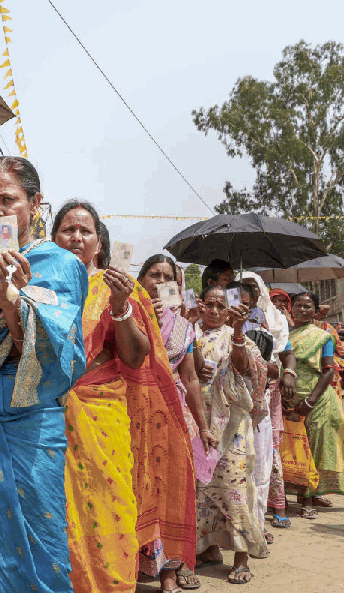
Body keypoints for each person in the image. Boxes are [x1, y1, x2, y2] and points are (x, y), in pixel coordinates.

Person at [0, 157, 87, 592]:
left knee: (39, 545)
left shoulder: (62, 265)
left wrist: (13, 297)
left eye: (8, 200)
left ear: (35, 203)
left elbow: (49, 356)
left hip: (29, 421)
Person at [53, 202, 195, 593]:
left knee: (110, 507)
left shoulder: (119, 289)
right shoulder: (42, 283)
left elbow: (135, 357)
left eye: (85, 230)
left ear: (99, 242)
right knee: (57, 517)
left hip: (102, 415)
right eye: (67, 230)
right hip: (51, 418)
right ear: (54, 239)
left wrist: (119, 307)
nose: (76, 237)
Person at [137, 254, 217, 592]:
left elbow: (191, 379)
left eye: (167, 277)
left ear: (177, 287)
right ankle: (134, 566)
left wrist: (203, 424)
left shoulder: (183, 327)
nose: (159, 281)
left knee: (171, 491)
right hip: (131, 415)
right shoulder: (122, 312)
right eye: (152, 275)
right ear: (140, 280)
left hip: (171, 418)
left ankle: (169, 571)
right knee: (137, 489)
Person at [193, 286, 268, 585]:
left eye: (220, 306)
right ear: (200, 305)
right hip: (199, 424)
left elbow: (244, 367)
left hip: (232, 429)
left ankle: (241, 558)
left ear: (229, 309)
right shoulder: (191, 334)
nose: (213, 310)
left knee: (235, 490)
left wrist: (237, 331)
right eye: (208, 304)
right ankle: (209, 549)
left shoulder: (240, 338)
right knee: (202, 489)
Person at [280, 292, 344, 518]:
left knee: (312, 448)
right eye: (298, 305)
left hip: (315, 400)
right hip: (288, 399)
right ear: (291, 309)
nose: (302, 310)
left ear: (315, 312)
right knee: (290, 448)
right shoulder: (282, 335)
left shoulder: (322, 337)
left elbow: (329, 371)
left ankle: (307, 498)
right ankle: (293, 494)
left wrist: (310, 401)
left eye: (308, 306)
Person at [239, 273, 297, 531]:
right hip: (237, 392)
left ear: (260, 291)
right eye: (243, 287)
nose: (247, 293)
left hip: (267, 391)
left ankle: (266, 513)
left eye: (253, 287)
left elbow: (286, 353)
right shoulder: (229, 316)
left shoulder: (273, 317)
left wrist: (287, 374)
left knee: (265, 453)